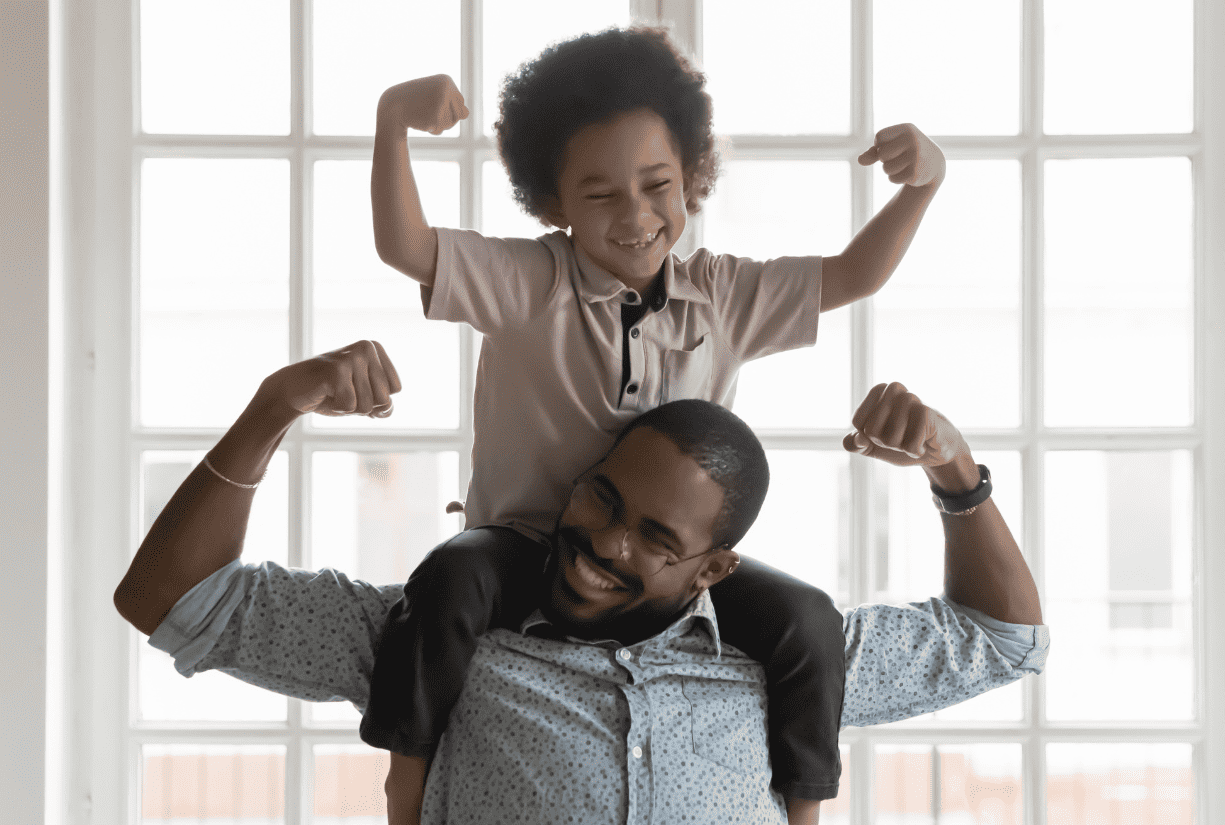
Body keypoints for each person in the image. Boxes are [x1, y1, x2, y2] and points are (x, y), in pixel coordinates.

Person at [365, 25, 948, 812]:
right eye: (600, 194)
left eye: (657, 184)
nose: (635, 215)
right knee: (446, 579)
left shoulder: (724, 292)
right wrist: (391, 121)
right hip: (529, 553)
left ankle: (803, 810)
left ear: (692, 178)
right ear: (552, 200)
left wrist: (921, 187)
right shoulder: (528, 281)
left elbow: (853, 274)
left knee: (806, 619)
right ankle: (405, 788)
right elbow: (406, 246)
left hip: (667, 574)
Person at [113, 342, 1047, 825]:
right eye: (600, 499)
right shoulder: (439, 631)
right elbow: (168, 596)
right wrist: (277, 406)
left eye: (652, 535)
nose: (600, 540)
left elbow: (1003, 638)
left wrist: (954, 471)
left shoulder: (788, 656)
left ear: (712, 567)